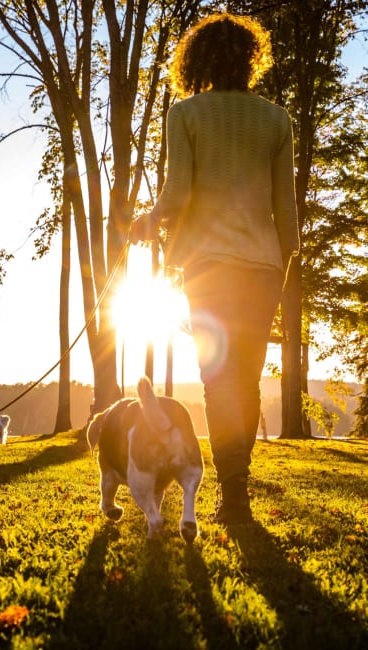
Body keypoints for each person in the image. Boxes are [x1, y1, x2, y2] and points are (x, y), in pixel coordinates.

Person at [131, 12, 299, 524]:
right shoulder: (276, 119)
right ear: (251, 60)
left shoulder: (185, 115)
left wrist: (148, 220)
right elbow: (287, 215)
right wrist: (281, 266)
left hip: (209, 266)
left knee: (218, 380)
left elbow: (178, 195)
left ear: (197, 61)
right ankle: (235, 490)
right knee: (244, 380)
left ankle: (235, 493)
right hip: (263, 266)